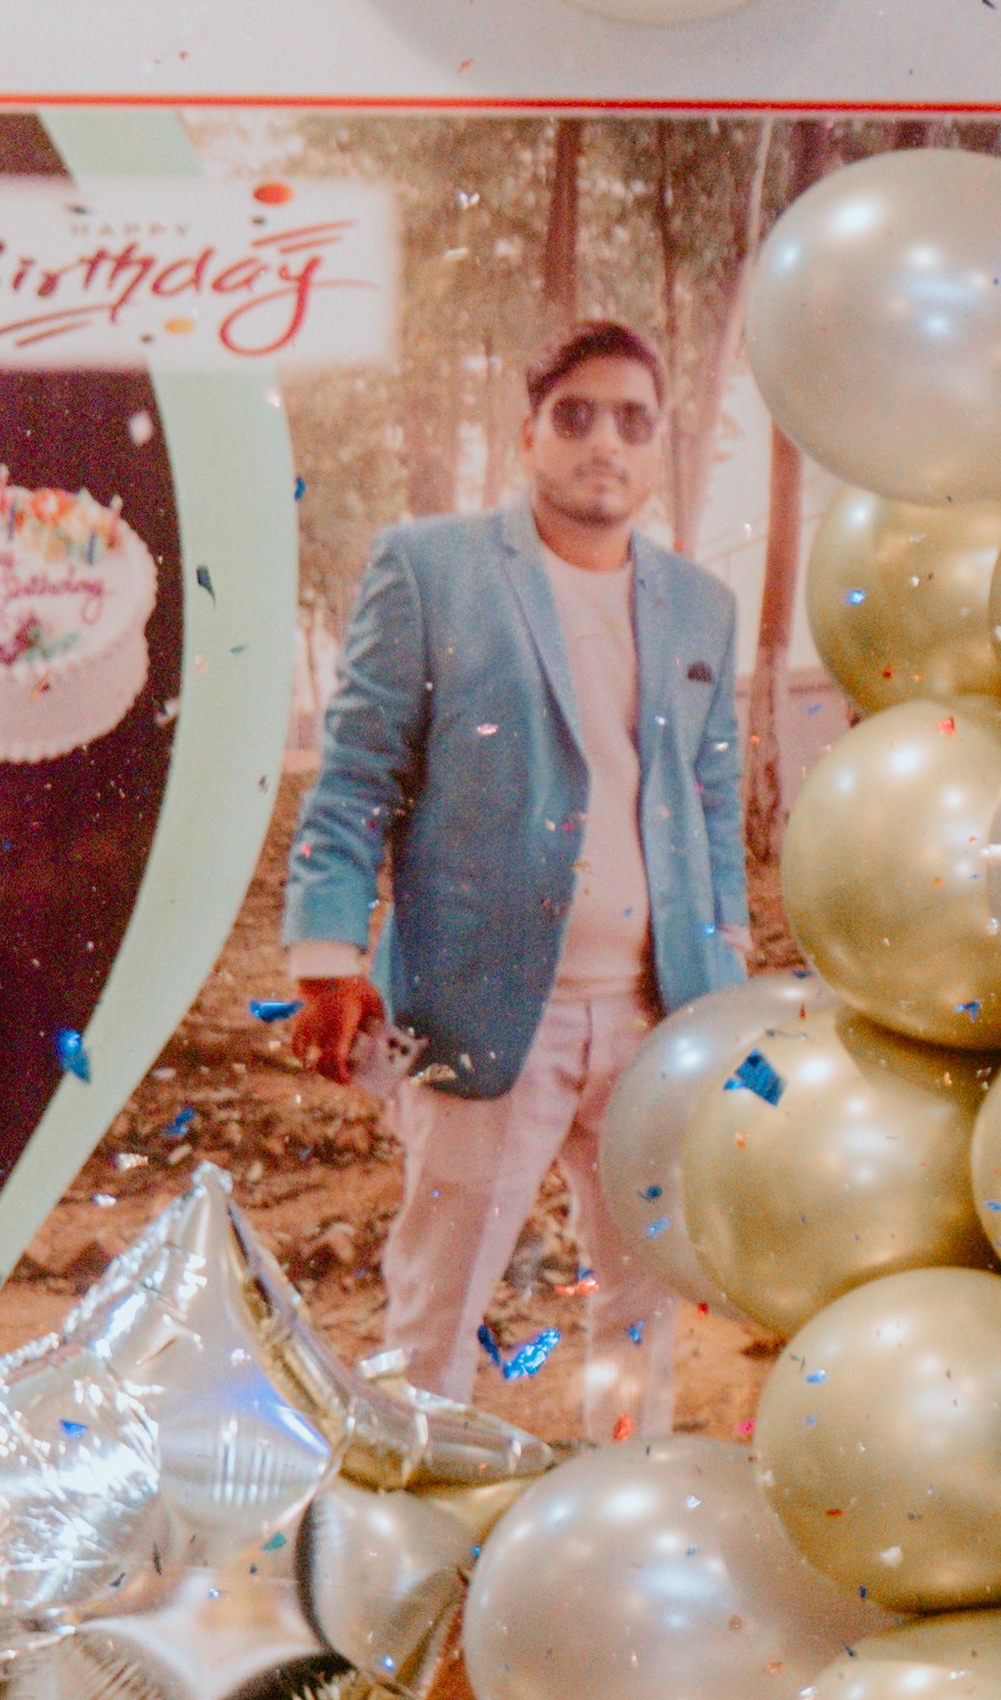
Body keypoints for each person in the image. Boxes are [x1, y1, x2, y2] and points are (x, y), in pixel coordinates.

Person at [278, 319, 744, 1428]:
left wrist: (723, 975)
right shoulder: (431, 569)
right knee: (438, 1312)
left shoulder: (701, 605)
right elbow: (356, 776)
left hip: (656, 1018)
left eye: (633, 421)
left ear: (659, 444)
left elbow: (711, 802)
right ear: (527, 432)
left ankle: (620, 1503)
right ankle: (411, 1519)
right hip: (481, 1008)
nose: (605, 442)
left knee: (641, 1306)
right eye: (575, 415)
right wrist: (326, 960)